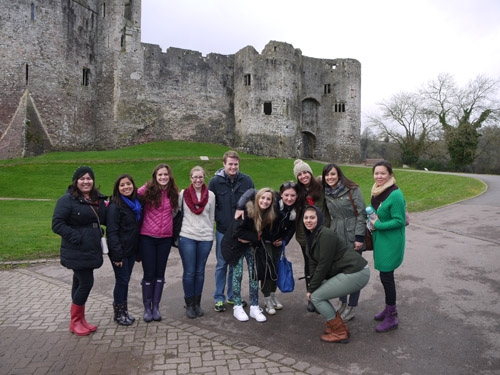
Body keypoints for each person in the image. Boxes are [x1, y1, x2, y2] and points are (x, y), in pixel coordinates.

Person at [52, 166, 107, 336]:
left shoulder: (95, 199)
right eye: (82, 179)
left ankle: (81, 319)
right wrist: (77, 237)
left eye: (89, 178)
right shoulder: (66, 200)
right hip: (77, 249)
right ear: (75, 181)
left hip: (90, 249)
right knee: (86, 283)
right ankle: (75, 321)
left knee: (78, 281)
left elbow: (100, 219)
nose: (86, 181)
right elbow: (57, 224)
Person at [303, 206, 370, 343]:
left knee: (316, 297)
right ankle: (336, 325)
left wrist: (311, 290)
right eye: (306, 218)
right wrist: (311, 285)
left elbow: (324, 264)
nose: (308, 220)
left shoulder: (325, 234)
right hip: (348, 271)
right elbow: (313, 264)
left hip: (356, 271)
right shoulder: (311, 236)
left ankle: (339, 332)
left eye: (312, 217)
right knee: (317, 290)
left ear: (319, 219)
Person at [235, 181, 298, 315]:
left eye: (293, 195)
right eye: (286, 195)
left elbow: (291, 229)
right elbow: (252, 192)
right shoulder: (274, 203)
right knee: (267, 268)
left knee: (276, 267)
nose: (289, 198)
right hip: (265, 241)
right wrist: (240, 206)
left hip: (278, 243)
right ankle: (267, 297)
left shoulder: (294, 211)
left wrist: (284, 241)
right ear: (281, 195)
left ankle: (273, 294)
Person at [208, 150, 254, 312]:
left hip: (240, 231)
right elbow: (211, 205)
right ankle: (219, 298)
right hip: (222, 230)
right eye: (230, 164)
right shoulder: (215, 182)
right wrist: (219, 219)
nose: (233, 167)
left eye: (236, 164)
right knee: (222, 264)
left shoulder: (246, 180)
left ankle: (233, 296)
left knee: (235, 264)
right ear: (224, 164)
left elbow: (252, 202)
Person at [221, 188, 276, 323]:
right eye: (262, 198)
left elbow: (266, 234)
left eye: (268, 199)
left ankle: (254, 306)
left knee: (254, 275)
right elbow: (236, 233)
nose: (265, 201)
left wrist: (253, 239)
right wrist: (256, 236)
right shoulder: (247, 211)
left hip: (251, 246)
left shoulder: (268, 215)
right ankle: (237, 306)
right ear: (257, 198)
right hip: (234, 246)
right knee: (237, 274)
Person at [321, 163, 367, 322]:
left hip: (352, 234)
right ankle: (343, 303)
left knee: (354, 273)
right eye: (327, 175)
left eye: (333, 174)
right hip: (337, 236)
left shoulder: (352, 189)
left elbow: (361, 214)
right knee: (340, 272)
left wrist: (359, 237)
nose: (330, 177)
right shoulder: (326, 192)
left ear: (339, 175)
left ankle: (352, 307)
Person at [137, 163, 179, 322]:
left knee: (160, 273)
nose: (163, 177)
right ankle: (147, 307)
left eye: (165, 174)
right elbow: (130, 196)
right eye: (160, 175)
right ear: (155, 176)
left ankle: (156, 306)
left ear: (169, 176)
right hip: (147, 237)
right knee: (149, 273)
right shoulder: (147, 190)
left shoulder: (173, 192)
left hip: (165, 239)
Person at [368, 160, 406, 332]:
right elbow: (377, 211)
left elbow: (400, 220)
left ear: (390, 174)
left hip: (391, 241)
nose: (379, 176)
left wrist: (378, 225)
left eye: (383, 173)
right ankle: (389, 308)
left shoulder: (395, 194)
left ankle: (392, 317)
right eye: (376, 173)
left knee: (387, 277)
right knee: (385, 276)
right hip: (381, 239)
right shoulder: (377, 191)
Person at [178, 166, 215, 319]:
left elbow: (211, 217)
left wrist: (209, 233)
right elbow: (177, 212)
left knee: (200, 271)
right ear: (190, 178)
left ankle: (197, 303)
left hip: (205, 237)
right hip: (187, 235)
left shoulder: (211, 195)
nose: (198, 180)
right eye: (195, 177)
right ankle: (189, 303)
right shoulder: (183, 194)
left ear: (204, 177)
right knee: (189, 271)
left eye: (200, 177)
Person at [106, 174, 142, 326]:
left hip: (131, 250)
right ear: (117, 188)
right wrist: (117, 256)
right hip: (119, 252)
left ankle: (124, 310)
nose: (126, 187)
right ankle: (118, 312)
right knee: (122, 281)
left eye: (128, 184)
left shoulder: (136, 204)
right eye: (122, 185)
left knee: (125, 281)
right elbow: (112, 232)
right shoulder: (115, 206)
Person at [292, 159, 325, 313]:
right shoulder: (297, 192)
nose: (303, 176)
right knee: (309, 265)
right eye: (299, 174)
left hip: (322, 232)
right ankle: (311, 297)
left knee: (323, 265)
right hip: (304, 234)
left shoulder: (321, 187)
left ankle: (322, 297)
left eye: (305, 172)